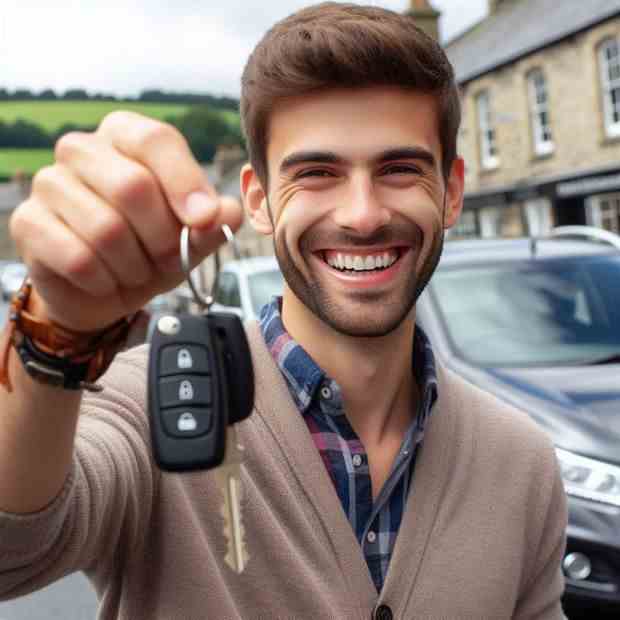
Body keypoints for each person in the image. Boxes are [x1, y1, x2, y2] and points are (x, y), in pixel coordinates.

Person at [0, 3, 567, 619]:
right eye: (316, 173)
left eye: (399, 169)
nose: (363, 214)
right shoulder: (151, 408)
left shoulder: (524, 461)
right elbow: (15, 550)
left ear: (451, 191)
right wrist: (56, 330)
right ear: (259, 201)